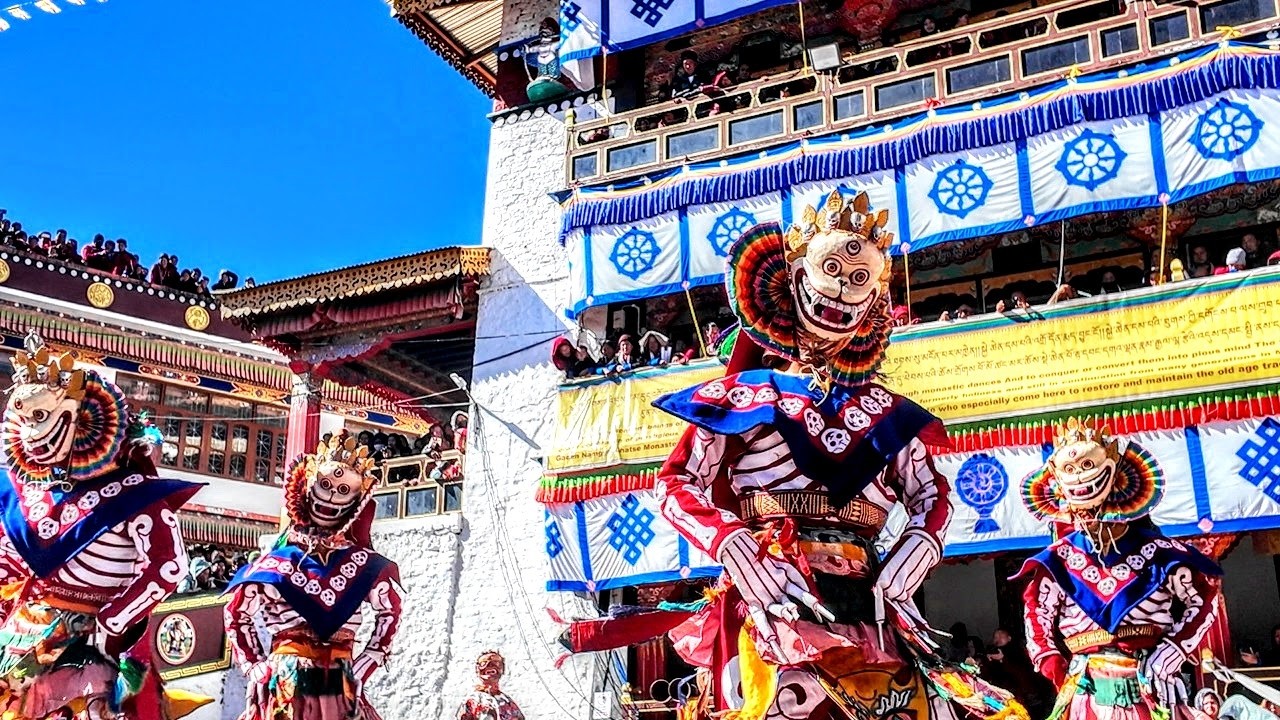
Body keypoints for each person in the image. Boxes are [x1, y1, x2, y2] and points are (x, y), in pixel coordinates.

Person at [652, 191, 1021, 720]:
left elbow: (930, 493)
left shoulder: (889, 412)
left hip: (871, 602)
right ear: (794, 276)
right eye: (831, 268)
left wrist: (922, 540)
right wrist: (731, 541)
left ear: (874, 299)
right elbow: (674, 485)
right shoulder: (745, 395)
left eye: (859, 279)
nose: (843, 292)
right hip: (772, 589)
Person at [0, 331, 207, 716]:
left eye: (41, 417)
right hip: (16, 634)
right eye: (25, 419)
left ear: (85, 416)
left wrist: (113, 621)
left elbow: (169, 565)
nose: (31, 434)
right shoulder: (23, 494)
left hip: (86, 643)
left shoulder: (136, 495)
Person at [1014, 418, 1221, 720]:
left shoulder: (1161, 554)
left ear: (1119, 474)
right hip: (1086, 689)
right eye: (1069, 470)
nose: (1079, 477)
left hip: (1149, 683)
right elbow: (1037, 616)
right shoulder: (1057, 560)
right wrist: (1055, 667)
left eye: (1087, 465)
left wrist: (1172, 651)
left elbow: (1203, 599)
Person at [224, 433, 402, 720]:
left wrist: (369, 659)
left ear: (357, 501)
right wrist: (255, 666)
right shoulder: (276, 561)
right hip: (287, 677)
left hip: (340, 677)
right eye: (326, 484)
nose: (332, 494)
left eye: (343, 489)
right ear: (307, 486)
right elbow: (236, 613)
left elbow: (390, 610)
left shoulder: (364, 564)